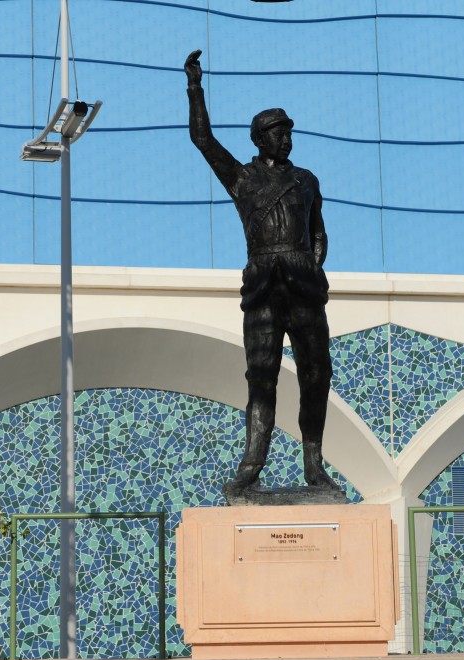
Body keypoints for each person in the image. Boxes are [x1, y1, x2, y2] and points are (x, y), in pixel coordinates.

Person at [183, 49, 338, 497]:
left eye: (288, 131)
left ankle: (314, 465)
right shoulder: (243, 178)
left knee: (316, 373)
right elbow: (203, 141)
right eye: (276, 132)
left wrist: (311, 264)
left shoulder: (307, 179)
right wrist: (195, 88)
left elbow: (319, 233)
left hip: (304, 286)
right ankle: (251, 465)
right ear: (259, 139)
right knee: (261, 375)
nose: (285, 138)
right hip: (263, 287)